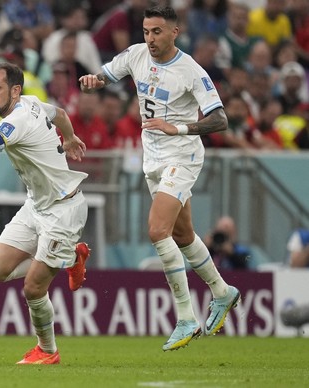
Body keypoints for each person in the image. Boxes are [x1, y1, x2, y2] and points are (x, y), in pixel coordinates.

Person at [79, 6, 241, 352]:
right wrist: (94, 82)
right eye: (146, 31)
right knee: (183, 235)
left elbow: (220, 119)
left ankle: (185, 317)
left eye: (156, 32)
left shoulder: (191, 72)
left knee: (157, 231)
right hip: (152, 159)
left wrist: (178, 127)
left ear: (174, 33)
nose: (150, 39)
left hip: (182, 156)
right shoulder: (137, 54)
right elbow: (107, 74)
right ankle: (223, 292)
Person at [0, 61, 91, 365]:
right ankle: (68, 257)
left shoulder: (16, 121)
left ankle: (47, 350)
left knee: (33, 288)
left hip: (63, 210)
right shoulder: (30, 103)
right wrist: (68, 137)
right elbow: (62, 115)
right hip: (36, 206)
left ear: (15, 90)